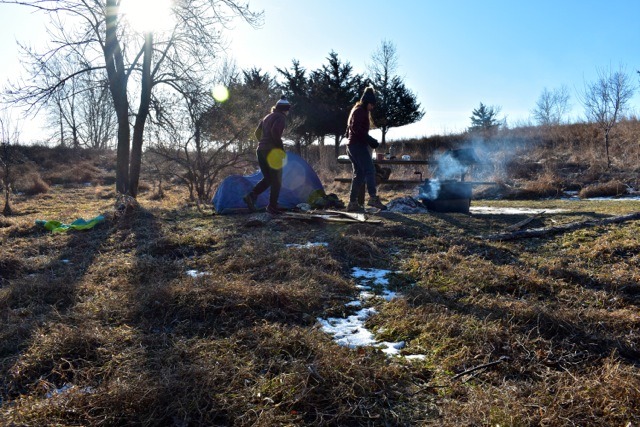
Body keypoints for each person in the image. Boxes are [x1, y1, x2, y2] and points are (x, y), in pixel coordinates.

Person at [243, 96, 291, 215]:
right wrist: (280, 148)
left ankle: (251, 196)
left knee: (269, 178)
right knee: (277, 180)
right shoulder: (281, 117)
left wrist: (264, 142)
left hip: (261, 150)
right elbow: (275, 132)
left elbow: (256, 133)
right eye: (288, 110)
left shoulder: (267, 116)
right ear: (285, 109)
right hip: (271, 152)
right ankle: (272, 207)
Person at [346, 86, 387, 211]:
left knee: (358, 175)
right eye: (372, 104)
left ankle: (352, 203)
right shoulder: (360, 111)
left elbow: (351, 129)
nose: (372, 107)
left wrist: (367, 139)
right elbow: (355, 128)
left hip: (352, 146)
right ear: (367, 102)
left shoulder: (357, 110)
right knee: (370, 170)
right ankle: (373, 198)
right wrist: (368, 139)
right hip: (357, 146)